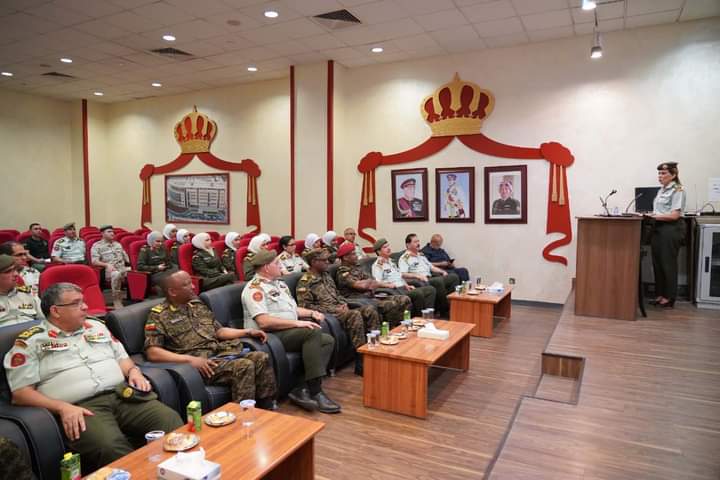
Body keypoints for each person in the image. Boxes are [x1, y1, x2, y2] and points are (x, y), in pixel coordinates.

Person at [3, 283, 183, 471]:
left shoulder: (97, 326)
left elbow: (123, 359)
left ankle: (181, 471)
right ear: (56, 311)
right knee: (109, 446)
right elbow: (21, 394)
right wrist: (62, 407)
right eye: (76, 303)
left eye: (83, 301)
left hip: (123, 395)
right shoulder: (30, 342)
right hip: (82, 408)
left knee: (170, 420)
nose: (85, 307)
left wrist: (134, 372)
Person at [144, 271, 277, 407]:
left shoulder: (197, 305)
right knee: (244, 366)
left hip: (220, 354)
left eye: (191, 282)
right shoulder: (159, 315)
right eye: (186, 284)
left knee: (261, 357)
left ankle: (266, 408)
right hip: (201, 365)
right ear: (172, 292)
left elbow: (219, 331)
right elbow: (153, 352)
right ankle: (243, 414)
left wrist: (247, 332)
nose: (193, 286)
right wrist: (190, 360)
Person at [242, 249, 340, 413]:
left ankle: (302, 388)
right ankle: (316, 390)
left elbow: (292, 310)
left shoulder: (279, 284)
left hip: (285, 330)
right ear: (266, 267)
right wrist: (297, 323)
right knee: (312, 332)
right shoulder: (254, 289)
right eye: (276, 263)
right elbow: (264, 322)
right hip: (268, 336)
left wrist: (311, 313)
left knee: (327, 341)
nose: (280, 265)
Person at [296, 249, 380, 376]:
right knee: (354, 315)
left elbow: (336, 294)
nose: (327, 262)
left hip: (340, 309)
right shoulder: (305, 282)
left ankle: (375, 351)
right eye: (324, 260)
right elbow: (305, 306)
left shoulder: (326, 275)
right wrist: (333, 310)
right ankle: (361, 361)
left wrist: (343, 303)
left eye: (327, 260)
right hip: (329, 314)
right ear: (313, 262)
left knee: (369, 310)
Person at [336, 242, 412, 327]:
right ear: (345, 257)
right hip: (359, 300)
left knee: (404, 299)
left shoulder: (357, 267)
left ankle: (402, 327)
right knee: (390, 304)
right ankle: (390, 330)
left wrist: (368, 283)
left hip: (371, 296)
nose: (357, 256)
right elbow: (362, 286)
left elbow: (374, 281)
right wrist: (368, 283)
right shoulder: (343, 273)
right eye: (353, 254)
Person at [647, 162, 687, 308]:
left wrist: (653, 217)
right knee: (657, 263)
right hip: (658, 228)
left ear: (674, 175)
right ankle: (660, 295)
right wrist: (651, 215)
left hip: (671, 229)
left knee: (667, 263)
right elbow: (660, 211)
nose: (660, 176)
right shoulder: (661, 190)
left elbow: (675, 215)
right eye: (659, 173)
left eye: (664, 173)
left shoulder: (678, 189)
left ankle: (669, 297)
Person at [371, 239, 436, 316]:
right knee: (417, 293)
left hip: (403, 288)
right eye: (385, 247)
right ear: (379, 252)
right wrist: (388, 285)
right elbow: (377, 282)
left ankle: (429, 315)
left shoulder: (392, 262)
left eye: (388, 246)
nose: (388, 248)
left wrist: (407, 285)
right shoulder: (378, 265)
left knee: (430, 289)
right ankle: (420, 317)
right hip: (395, 291)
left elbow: (399, 277)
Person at [399, 234, 460, 314]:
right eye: (415, 242)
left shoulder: (421, 255)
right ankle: (445, 309)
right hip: (421, 280)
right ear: (408, 245)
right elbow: (403, 274)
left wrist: (442, 271)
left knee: (453, 277)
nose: (418, 243)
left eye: (418, 241)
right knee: (438, 281)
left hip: (430, 277)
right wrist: (417, 276)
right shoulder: (405, 258)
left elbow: (431, 267)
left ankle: (453, 305)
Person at [90, 225, 129, 309]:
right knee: (116, 274)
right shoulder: (97, 246)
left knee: (137, 272)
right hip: (109, 271)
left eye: (112, 232)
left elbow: (126, 258)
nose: (112, 233)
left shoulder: (118, 244)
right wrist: (107, 265)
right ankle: (116, 300)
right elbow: (94, 261)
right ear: (102, 233)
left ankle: (135, 297)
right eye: (109, 232)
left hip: (122, 268)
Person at [0, 254, 44, 326]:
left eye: (15, 269)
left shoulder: (28, 293)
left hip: (33, 331)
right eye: (8, 271)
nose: (16, 274)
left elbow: (44, 319)